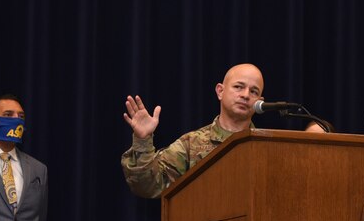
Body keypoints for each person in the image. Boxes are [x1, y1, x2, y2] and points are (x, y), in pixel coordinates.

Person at [121, 62, 324, 199]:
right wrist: (143, 139)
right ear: (220, 91)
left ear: (259, 102)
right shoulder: (191, 145)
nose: (245, 95)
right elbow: (147, 186)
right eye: (238, 87)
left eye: (254, 91)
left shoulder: (267, 147)